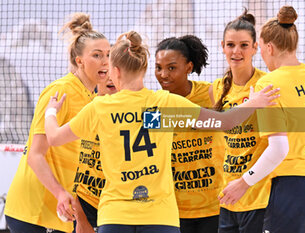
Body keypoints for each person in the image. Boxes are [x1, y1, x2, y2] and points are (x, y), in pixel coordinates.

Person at [44, 30, 278, 233]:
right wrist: (255, 101)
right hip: (159, 216)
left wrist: (51, 112)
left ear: (114, 71)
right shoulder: (163, 106)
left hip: (115, 213)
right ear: (145, 68)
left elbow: (53, 138)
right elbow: (224, 122)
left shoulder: (100, 108)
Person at [223, 5, 305, 233]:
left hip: (296, 190)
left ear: (269, 48)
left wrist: (244, 182)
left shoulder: (269, 85)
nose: (261, 54)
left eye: (260, 48)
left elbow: (279, 149)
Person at [4, 13, 110, 233]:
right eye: (97, 55)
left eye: (108, 55)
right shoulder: (61, 91)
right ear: (79, 60)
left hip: (61, 211)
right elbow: (35, 155)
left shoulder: (91, 97)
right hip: (34, 209)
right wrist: (60, 193)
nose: (105, 62)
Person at [155, 35, 225, 233]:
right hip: (173, 209)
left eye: (171, 67)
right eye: (158, 67)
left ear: (188, 67)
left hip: (216, 204)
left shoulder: (212, 93)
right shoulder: (155, 104)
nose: (163, 75)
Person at [211, 9, 272, 233]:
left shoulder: (267, 83)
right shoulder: (217, 88)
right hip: (227, 196)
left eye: (244, 45)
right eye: (231, 45)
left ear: (256, 47)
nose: (236, 51)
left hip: (259, 196)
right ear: (222, 46)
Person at [73, 75, 117, 233]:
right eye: (106, 73)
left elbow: (193, 118)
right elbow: (66, 172)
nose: (111, 79)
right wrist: (81, 219)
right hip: (84, 202)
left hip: (117, 206)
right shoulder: (83, 110)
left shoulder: (139, 112)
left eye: (116, 73)